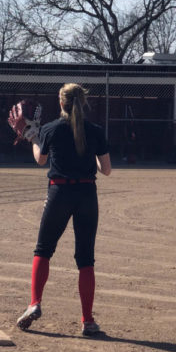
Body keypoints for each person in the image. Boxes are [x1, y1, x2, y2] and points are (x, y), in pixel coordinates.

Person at [16, 83, 112, 337]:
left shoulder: (51, 129)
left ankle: (34, 303)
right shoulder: (94, 131)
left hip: (60, 193)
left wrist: (32, 137)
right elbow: (106, 169)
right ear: (84, 103)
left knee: (43, 250)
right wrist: (87, 152)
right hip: (87, 195)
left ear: (61, 103)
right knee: (85, 259)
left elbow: (41, 159)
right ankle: (88, 320)